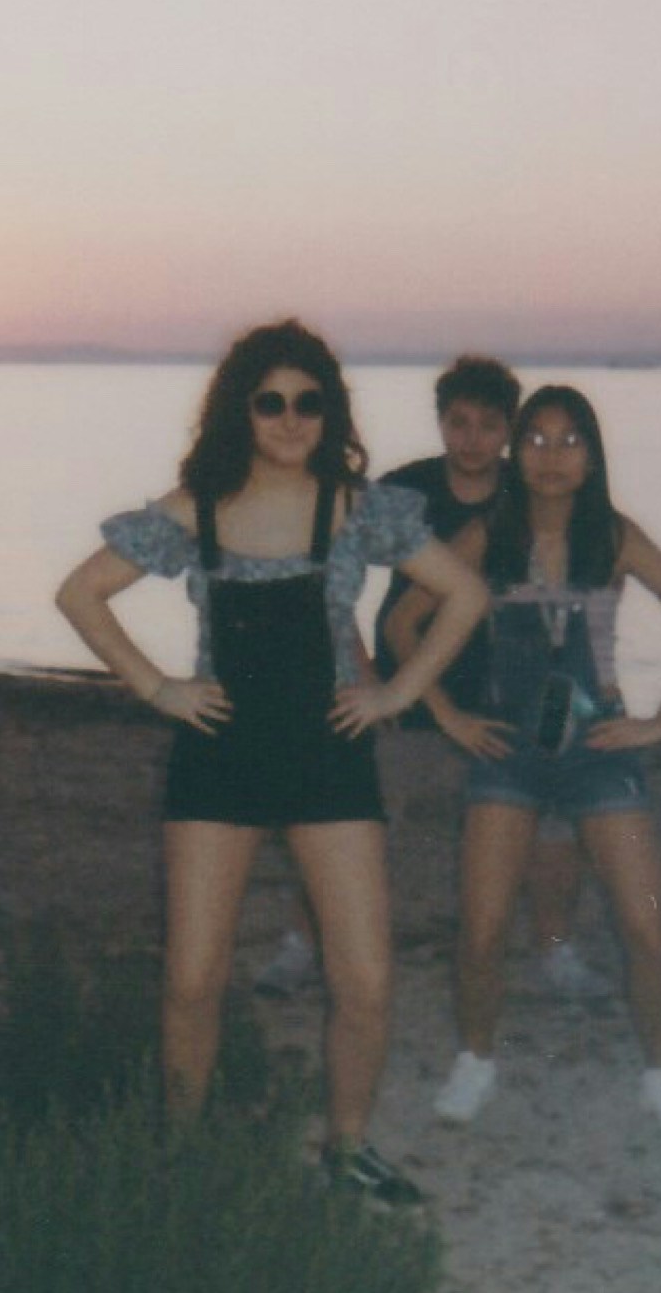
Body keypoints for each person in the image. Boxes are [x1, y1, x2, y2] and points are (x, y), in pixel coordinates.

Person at [54, 320, 490, 1205]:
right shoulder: (196, 509)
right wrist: (157, 687)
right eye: (272, 403)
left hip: (330, 757)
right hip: (218, 758)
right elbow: (81, 592)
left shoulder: (360, 508)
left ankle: (348, 1149)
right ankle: (181, 1155)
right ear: (241, 411)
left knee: (364, 976)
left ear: (329, 413)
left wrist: (398, 695)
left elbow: (465, 594)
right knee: (192, 976)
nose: (291, 420)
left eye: (309, 403)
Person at [389, 383, 661, 1133]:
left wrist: (659, 723)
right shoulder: (487, 533)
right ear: (518, 451)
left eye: (569, 441)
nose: (550, 457)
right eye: (536, 440)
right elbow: (404, 620)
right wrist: (447, 715)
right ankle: (476, 1062)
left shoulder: (615, 536)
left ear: (593, 455)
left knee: (647, 928)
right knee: (480, 930)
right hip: (507, 748)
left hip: (597, 747)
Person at [255, 356, 610, 1002]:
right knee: (337, 816)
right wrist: (362, 676)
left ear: (509, 430)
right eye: (458, 423)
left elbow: (571, 615)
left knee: (554, 825)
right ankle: (300, 946)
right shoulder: (401, 493)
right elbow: (329, 587)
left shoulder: (529, 494)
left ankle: (556, 953)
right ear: (441, 422)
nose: (471, 439)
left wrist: (563, 716)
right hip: (401, 695)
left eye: (488, 425)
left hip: (508, 701)